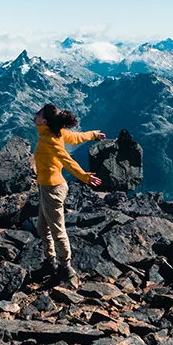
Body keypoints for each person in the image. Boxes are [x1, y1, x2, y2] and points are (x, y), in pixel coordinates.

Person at [34, 104, 103, 281]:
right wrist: (93, 135)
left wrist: (84, 177)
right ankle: (50, 262)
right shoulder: (54, 132)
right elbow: (76, 137)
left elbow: (67, 160)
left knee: (57, 230)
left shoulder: (50, 139)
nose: (36, 113)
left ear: (45, 121)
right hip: (46, 187)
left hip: (53, 189)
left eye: (39, 113)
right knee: (43, 228)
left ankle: (65, 267)